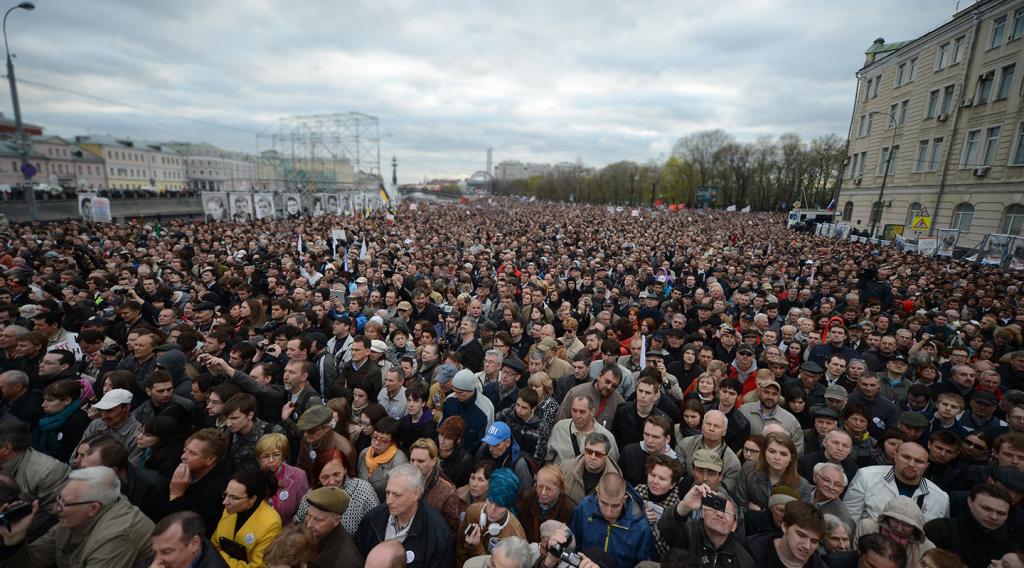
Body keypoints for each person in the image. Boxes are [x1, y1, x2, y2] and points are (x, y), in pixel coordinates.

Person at [0, 466, 154, 568]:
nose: (55, 508)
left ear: (93, 508)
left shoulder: (116, 535)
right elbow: (34, 560)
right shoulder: (75, 516)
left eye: (64, 503)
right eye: (59, 498)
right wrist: (15, 541)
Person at [354, 464, 454, 568]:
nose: (389, 501)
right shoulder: (373, 518)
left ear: (416, 493)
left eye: (397, 495)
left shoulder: (437, 532)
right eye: (388, 493)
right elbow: (359, 556)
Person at [844, 442, 950, 523]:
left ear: (926, 466)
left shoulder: (940, 498)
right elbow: (849, 519)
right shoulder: (866, 476)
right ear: (895, 456)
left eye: (919, 461)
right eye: (906, 457)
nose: (911, 464)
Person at [656, 482, 754, 568]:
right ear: (703, 512)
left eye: (727, 512)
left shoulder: (744, 561)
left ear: (734, 525)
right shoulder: (688, 532)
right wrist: (684, 506)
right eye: (715, 507)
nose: (719, 514)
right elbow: (664, 529)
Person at [569, 471, 655, 567]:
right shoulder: (584, 508)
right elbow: (574, 545)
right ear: (598, 494)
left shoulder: (641, 527)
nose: (608, 512)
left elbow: (645, 565)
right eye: (604, 503)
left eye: (615, 506)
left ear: (624, 499)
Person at [923, 484, 1017, 568]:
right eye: (986, 509)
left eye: (1001, 513)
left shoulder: (1012, 551)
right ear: (970, 502)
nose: (994, 517)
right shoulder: (939, 529)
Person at [292, 448, 379, 537]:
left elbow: (376, 525)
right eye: (325, 477)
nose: (332, 482)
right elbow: (297, 523)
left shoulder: (363, 491)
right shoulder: (311, 496)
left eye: (336, 474)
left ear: (345, 469)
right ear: (318, 477)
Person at [165, 428, 234, 536]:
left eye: (192, 453)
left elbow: (190, 529)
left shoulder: (218, 489)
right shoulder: (185, 468)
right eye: (185, 450)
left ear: (210, 459)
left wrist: (176, 494)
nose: (183, 457)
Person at [211, 467, 282, 567]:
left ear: (253, 498)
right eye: (226, 495)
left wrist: (222, 558)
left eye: (234, 497)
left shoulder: (271, 523)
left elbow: (258, 566)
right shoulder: (229, 510)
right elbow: (214, 545)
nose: (225, 502)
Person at [456, 468, 527, 566]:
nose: (492, 509)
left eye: (499, 505)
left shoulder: (515, 536)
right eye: (490, 500)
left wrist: (476, 547)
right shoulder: (472, 510)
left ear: (508, 506)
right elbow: (460, 546)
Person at [735, 431, 812, 512]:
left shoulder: (802, 485)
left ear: (791, 458)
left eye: (783, 454)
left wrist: (762, 511)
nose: (777, 458)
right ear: (764, 452)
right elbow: (739, 505)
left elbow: (802, 518)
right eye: (772, 451)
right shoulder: (748, 469)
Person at [854, 496, 934, 568]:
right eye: (895, 521)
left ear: (915, 528)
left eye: (905, 525)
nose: (899, 529)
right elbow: (855, 558)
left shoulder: (927, 548)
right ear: (887, 518)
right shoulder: (867, 527)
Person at [747, 500, 828, 568]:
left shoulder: (818, 565)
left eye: (814, 541)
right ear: (785, 527)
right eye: (801, 535)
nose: (807, 546)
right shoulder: (751, 549)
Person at [635, 453, 687, 558]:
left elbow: (672, 547)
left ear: (672, 484)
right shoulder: (638, 491)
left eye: (662, 479)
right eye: (652, 475)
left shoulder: (677, 507)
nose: (655, 482)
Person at [138, 511, 229, 568]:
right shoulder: (162, 555)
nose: (157, 560)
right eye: (155, 552)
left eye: (166, 551)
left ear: (194, 544)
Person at [302, 486, 364, 568]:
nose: (309, 524)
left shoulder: (347, 562)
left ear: (336, 521)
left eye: (318, 520)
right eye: (309, 516)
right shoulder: (307, 533)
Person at [408, 438, 459, 537]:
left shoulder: (447, 490)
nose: (414, 465)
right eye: (412, 460)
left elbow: (450, 529)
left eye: (421, 461)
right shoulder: (404, 478)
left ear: (433, 461)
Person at [514, 463, 577, 543]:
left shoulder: (570, 510)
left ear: (560, 489)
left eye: (549, 489)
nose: (543, 493)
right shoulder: (525, 498)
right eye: (539, 486)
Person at [256, 433, 309, 524]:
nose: (271, 460)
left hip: (288, 532)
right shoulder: (252, 479)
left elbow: (304, 513)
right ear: (258, 459)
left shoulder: (299, 476)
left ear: (283, 455)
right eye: (266, 456)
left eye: (276, 455)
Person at [357, 416, 409, 500]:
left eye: (383, 440)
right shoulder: (364, 453)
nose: (376, 443)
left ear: (393, 442)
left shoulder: (400, 462)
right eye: (374, 437)